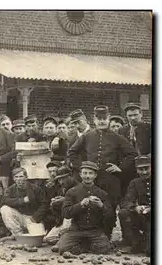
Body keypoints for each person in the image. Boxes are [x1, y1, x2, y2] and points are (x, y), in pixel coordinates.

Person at [68, 106, 138, 238]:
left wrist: (120, 167)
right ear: (94, 120)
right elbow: (72, 152)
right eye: (98, 119)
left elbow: (132, 154)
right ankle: (91, 235)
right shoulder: (87, 136)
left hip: (111, 180)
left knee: (109, 208)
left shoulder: (116, 137)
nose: (101, 121)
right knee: (91, 207)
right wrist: (82, 167)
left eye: (104, 119)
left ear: (108, 118)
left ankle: (107, 236)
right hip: (93, 181)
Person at [59, 161, 113, 255]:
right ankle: (85, 245)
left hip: (94, 230)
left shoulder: (102, 193)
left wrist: (101, 205)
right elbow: (65, 213)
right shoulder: (72, 192)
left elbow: (110, 215)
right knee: (63, 249)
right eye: (85, 173)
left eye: (90, 173)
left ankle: (83, 245)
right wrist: (80, 205)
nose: (87, 176)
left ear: (95, 175)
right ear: (80, 174)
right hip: (76, 230)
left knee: (105, 249)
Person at [118, 155, 151, 255]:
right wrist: (135, 207)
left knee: (149, 252)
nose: (144, 172)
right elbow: (126, 201)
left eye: (147, 168)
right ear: (137, 170)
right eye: (141, 169)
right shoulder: (134, 183)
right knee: (123, 213)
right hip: (143, 217)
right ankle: (133, 243)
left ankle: (145, 242)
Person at [0, 168, 47, 237]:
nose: (19, 179)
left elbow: (44, 204)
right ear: (13, 179)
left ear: (26, 177)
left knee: (38, 237)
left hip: (32, 218)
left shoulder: (35, 188)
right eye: (16, 177)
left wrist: (36, 217)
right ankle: (18, 234)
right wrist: (22, 201)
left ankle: (28, 230)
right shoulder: (11, 189)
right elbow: (5, 200)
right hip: (20, 217)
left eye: (21, 176)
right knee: (4, 209)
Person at [43, 165, 78, 245]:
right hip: (63, 220)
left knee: (63, 235)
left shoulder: (78, 186)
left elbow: (80, 204)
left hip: (76, 220)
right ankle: (66, 238)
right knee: (48, 239)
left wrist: (64, 200)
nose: (61, 181)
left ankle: (68, 240)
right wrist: (55, 201)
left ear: (71, 176)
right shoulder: (62, 187)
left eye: (64, 178)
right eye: (59, 179)